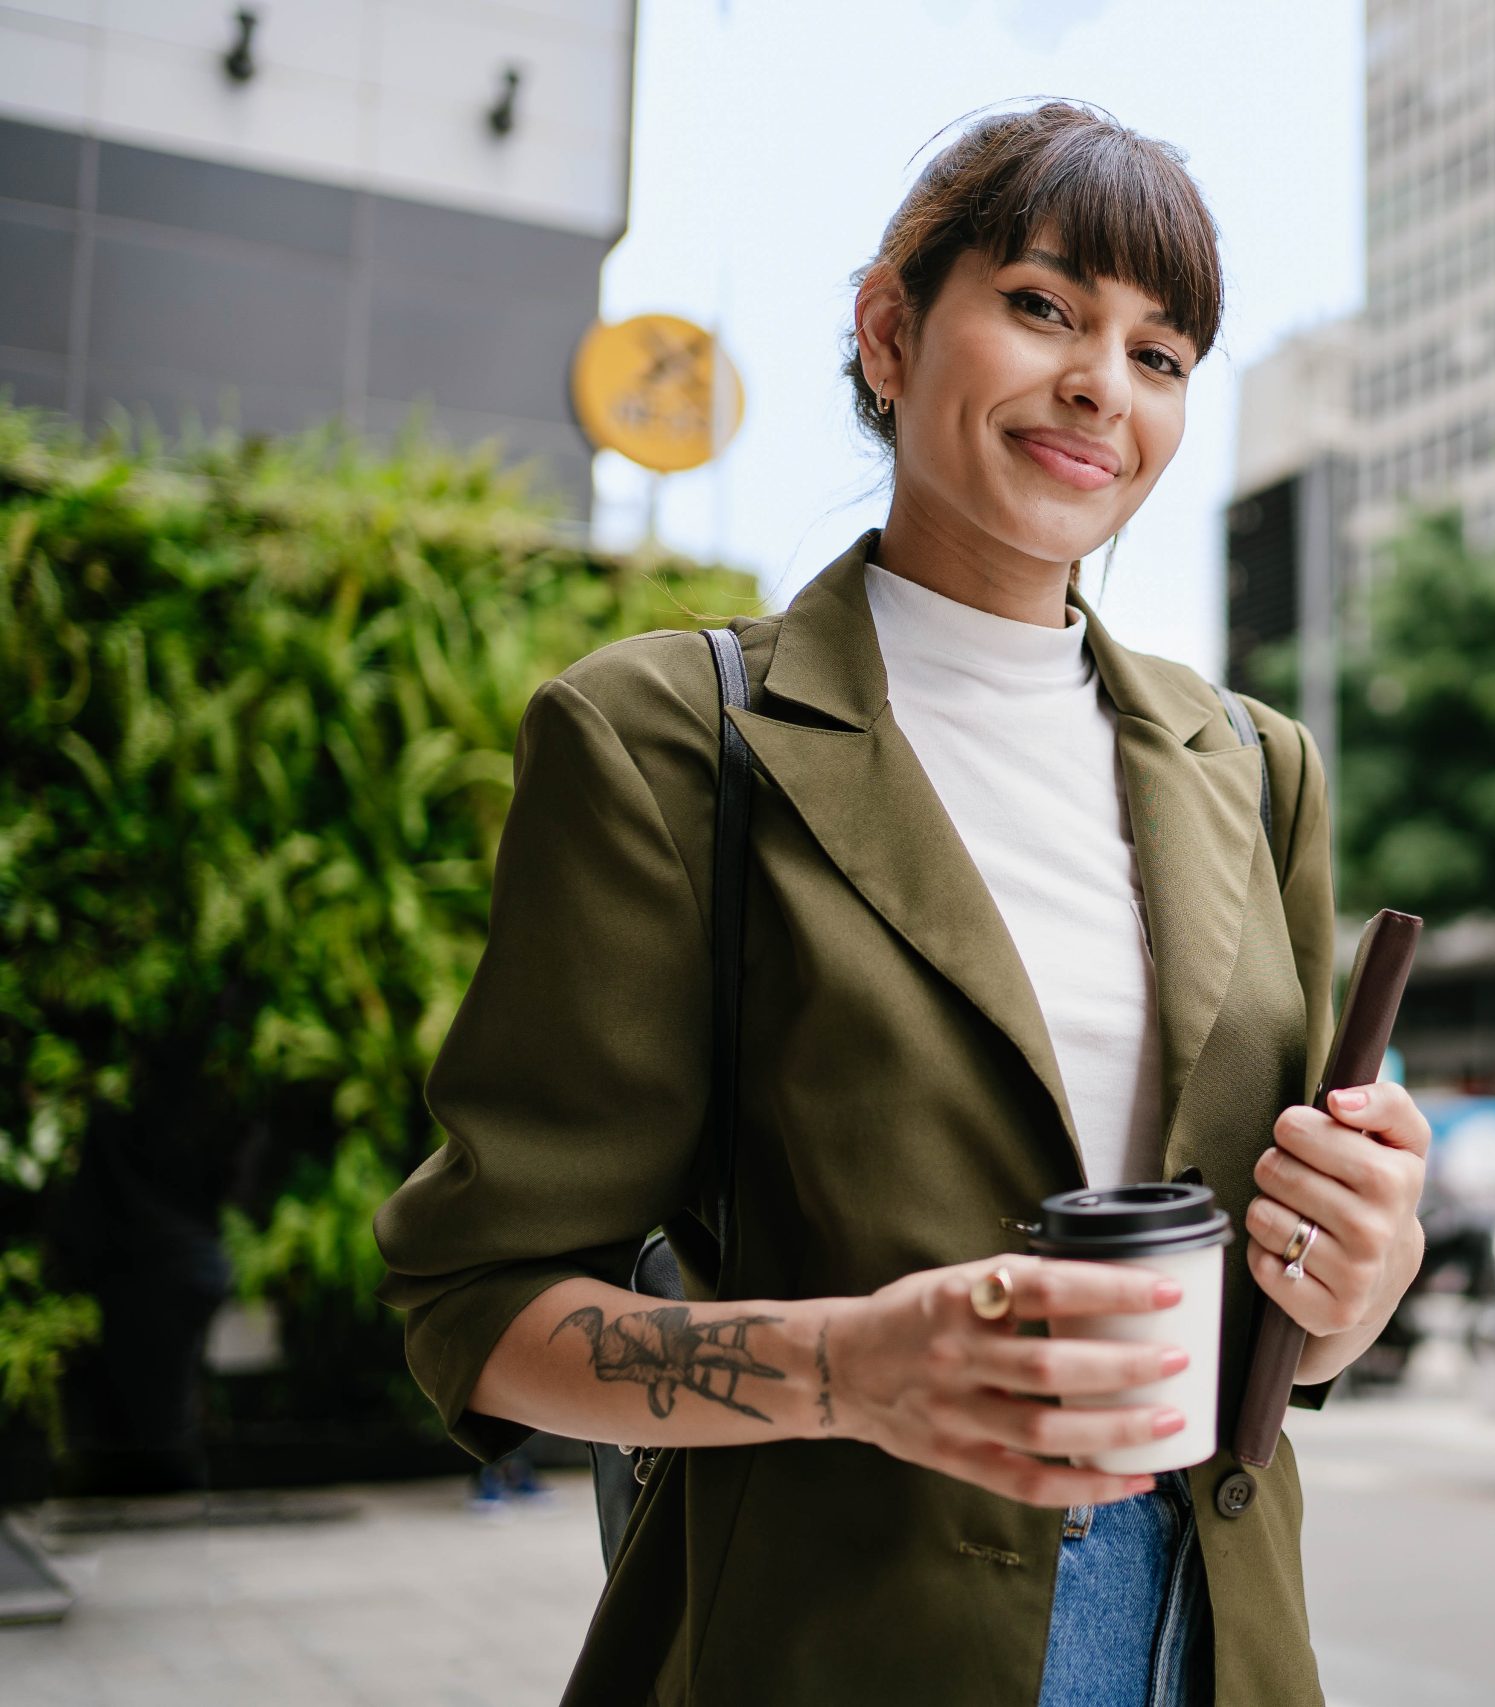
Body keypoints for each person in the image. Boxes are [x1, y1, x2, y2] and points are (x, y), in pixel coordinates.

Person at [372, 104, 1432, 1707]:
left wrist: (1356, 1279)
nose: (1103, 384)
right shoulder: (670, 737)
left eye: (1161, 352)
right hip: (832, 1639)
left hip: (1214, 1640)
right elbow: (482, 1304)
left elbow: (1268, 1315)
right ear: (888, 329)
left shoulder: (1256, 764)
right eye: (1044, 308)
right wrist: (847, 1368)